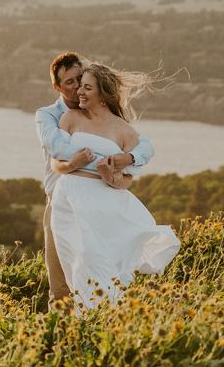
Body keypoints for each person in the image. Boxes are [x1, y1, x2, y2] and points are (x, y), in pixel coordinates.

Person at [48, 61, 180, 313]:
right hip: (68, 199)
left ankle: (102, 319)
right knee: (75, 263)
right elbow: (56, 163)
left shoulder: (124, 131)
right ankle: (87, 320)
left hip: (102, 204)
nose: (80, 93)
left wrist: (110, 177)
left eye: (87, 87)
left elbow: (126, 181)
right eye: (79, 87)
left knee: (95, 261)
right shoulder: (70, 118)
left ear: (103, 95)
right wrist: (74, 163)